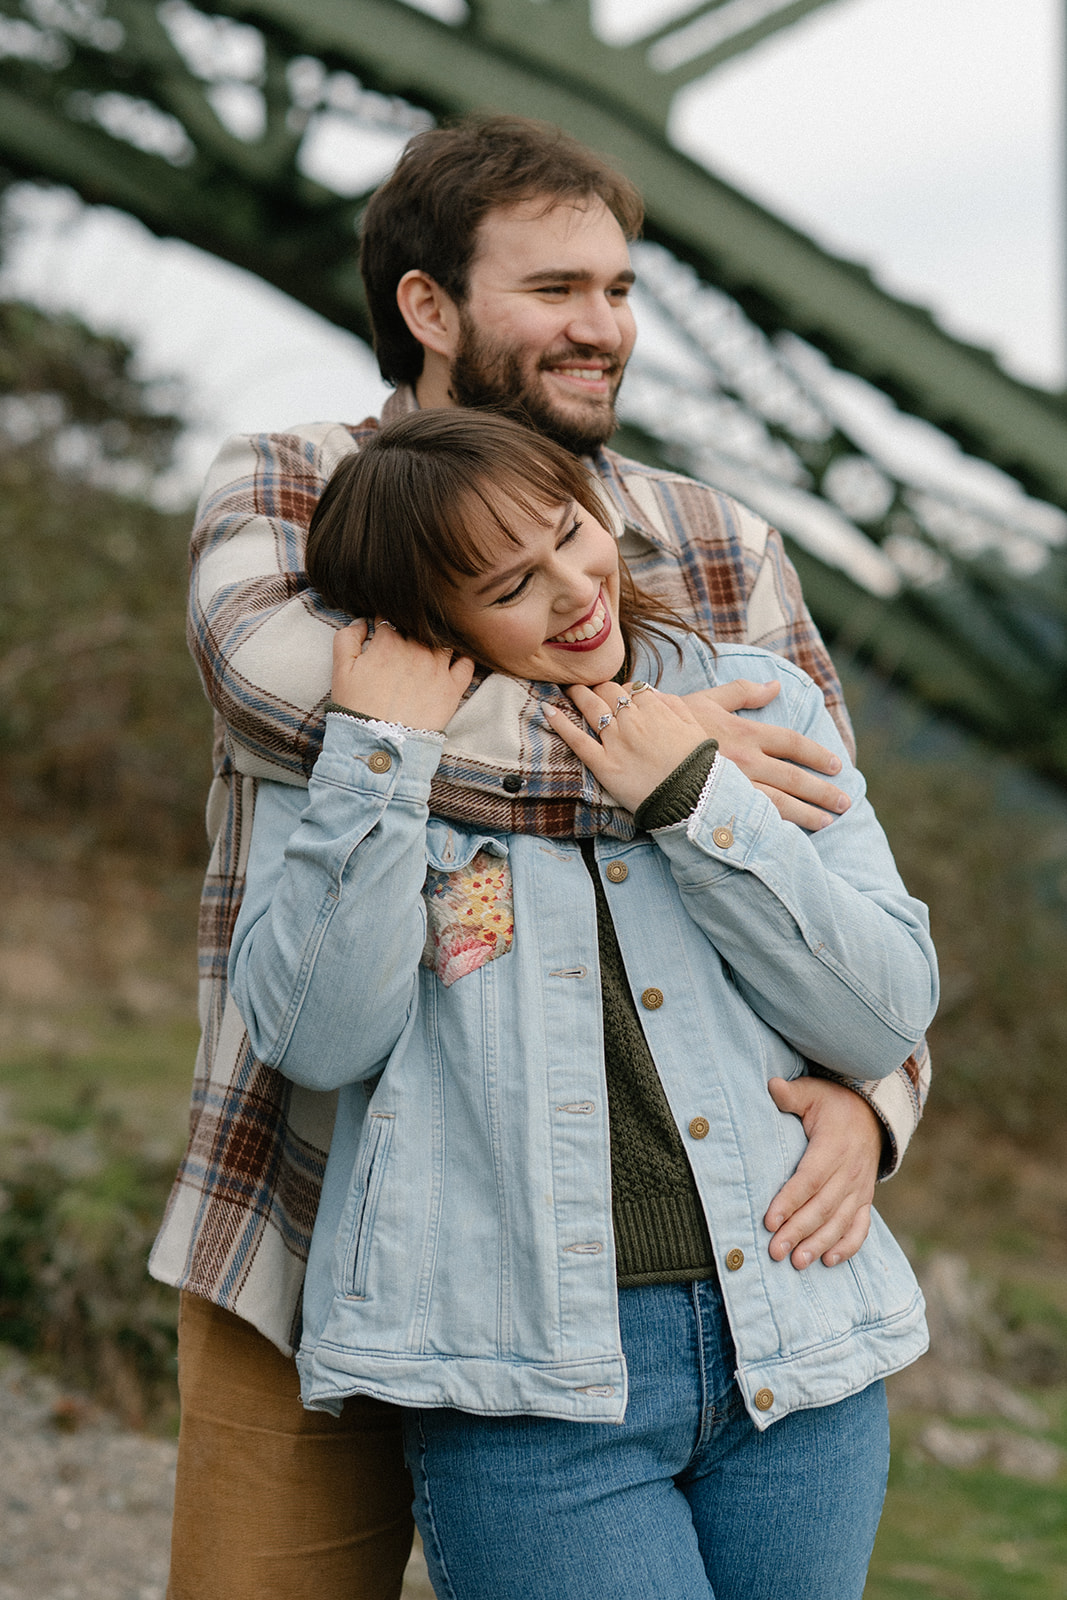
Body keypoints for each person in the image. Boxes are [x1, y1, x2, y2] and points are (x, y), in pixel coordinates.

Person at [152, 116, 931, 1600]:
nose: (604, 329)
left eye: (620, 291)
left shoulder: (717, 542)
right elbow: (280, 693)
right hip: (306, 1206)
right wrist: (660, 759)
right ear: (429, 308)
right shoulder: (290, 491)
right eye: (556, 289)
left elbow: (833, 861)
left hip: (708, 1237)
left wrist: (876, 1099)